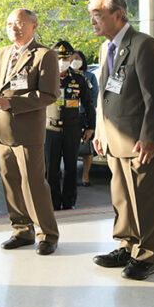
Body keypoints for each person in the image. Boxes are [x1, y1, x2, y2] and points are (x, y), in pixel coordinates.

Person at [90, 0, 154, 281]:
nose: (92, 21)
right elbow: (103, 94)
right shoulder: (105, 48)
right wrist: (100, 130)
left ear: (118, 14)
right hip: (113, 139)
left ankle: (146, 256)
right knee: (122, 197)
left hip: (138, 141)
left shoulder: (144, 45)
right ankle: (127, 244)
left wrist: (150, 137)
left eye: (97, 14)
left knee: (144, 199)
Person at [0, 8, 60, 256]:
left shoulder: (44, 55)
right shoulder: (0, 53)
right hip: (1, 131)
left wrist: (13, 103)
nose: (14, 27)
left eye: (20, 23)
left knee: (34, 184)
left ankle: (47, 234)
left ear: (34, 26)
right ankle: (22, 230)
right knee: (10, 183)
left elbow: (49, 94)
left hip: (27, 132)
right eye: (10, 23)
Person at [45, 40, 94, 210]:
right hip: (50, 129)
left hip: (72, 129)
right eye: (58, 58)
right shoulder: (45, 78)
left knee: (71, 168)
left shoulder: (78, 79)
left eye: (66, 58)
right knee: (51, 169)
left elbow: (88, 104)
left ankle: (69, 201)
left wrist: (90, 127)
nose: (62, 62)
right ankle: (53, 201)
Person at [71, 50, 98, 187]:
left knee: (86, 147)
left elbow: (94, 96)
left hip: (84, 115)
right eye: (72, 58)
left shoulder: (90, 76)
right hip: (69, 116)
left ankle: (85, 176)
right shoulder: (65, 75)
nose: (75, 60)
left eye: (78, 58)